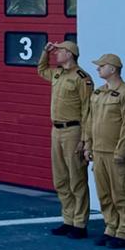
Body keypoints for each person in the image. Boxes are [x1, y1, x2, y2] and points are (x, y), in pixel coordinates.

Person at [37, 39, 94, 239]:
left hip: (73, 131)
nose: (56, 53)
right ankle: (68, 219)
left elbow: (87, 110)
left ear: (70, 54)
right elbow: (41, 70)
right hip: (57, 130)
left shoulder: (82, 78)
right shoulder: (58, 73)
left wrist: (85, 139)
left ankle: (79, 223)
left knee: (76, 178)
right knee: (60, 178)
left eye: (60, 51)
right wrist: (45, 52)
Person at [83, 53, 125, 248]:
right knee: (104, 193)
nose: (98, 69)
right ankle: (110, 227)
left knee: (120, 193)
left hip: (116, 152)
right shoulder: (98, 93)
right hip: (99, 151)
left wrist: (121, 150)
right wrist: (88, 145)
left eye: (102, 66)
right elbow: (90, 120)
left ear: (113, 69)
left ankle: (124, 232)